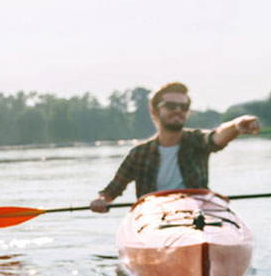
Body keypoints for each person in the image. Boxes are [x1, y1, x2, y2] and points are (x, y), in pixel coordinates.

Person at [89, 81, 261, 212]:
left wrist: (237, 125)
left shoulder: (197, 141)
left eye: (183, 107)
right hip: (154, 217)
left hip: (197, 213)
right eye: (171, 106)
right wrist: (101, 199)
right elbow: (111, 191)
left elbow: (216, 137)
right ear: (155, 112)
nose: (178, 110)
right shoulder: (139, 154)